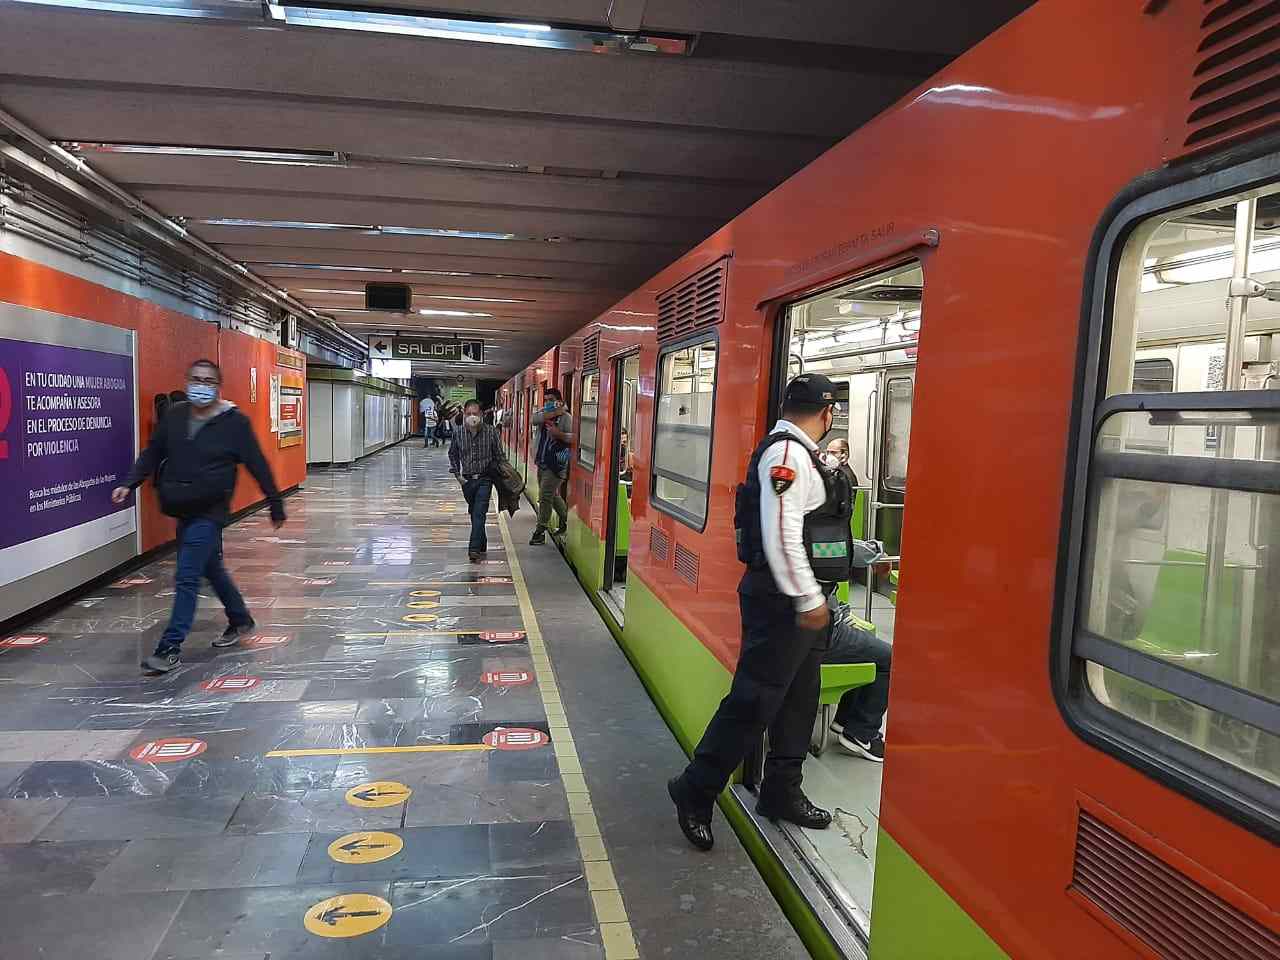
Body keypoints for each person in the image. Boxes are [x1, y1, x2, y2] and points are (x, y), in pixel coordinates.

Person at [668, 373, 876, 851]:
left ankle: (783, 789)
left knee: (801, 697)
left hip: (804, 601)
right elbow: (782, 535)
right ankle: (695, 789)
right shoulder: (786, 455)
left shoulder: (800, 453)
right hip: (784, 602)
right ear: (827, 414)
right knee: (753, 701)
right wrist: (808, 600)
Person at [112, 359, 285, 674]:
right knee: (211, 568)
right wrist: (129, 483)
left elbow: (256, 462)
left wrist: (275, 501)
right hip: (182, 505)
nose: (200, 386)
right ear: (187, 380)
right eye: (195, 379)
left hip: (211, 509)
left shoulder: (234, 423)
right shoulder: (176, 417)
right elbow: (153, 452)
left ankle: (169, 648)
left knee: (187, 575)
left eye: (207, 381)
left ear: (218, 386)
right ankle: (240, 619)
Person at [823, 605, 890, 760]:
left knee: (866, 643)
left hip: (826, 623)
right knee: (889, 658)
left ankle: (845, 719)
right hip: (825, 631)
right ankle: (862, 734)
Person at [448, 398, 507, 563]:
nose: (472, 416)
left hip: (485, 479)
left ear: (481, 414)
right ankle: (482, 541)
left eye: (475, 413)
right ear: (464, 414)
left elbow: (499, 455)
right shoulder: (458, 433)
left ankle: (474, 549)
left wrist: (503, 473)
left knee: (480, 512)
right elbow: (453, 454)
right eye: (468, 414)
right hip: (466, 481)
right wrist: (458, 476)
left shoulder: (491, 432)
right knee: (474, 513)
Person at [529, 388, 572, 545]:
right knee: (552, 495)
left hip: (557, 463)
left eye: (551, 399)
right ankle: (566, 520)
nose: (547, 402)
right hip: (542, 462)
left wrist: (559, 434)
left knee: (545, 496)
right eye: (545, 400)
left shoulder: (567, 418)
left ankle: (540, 531)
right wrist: (554, 413)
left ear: (559, 400)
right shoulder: (543, 415)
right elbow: (534, 419)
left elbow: (575, 438)